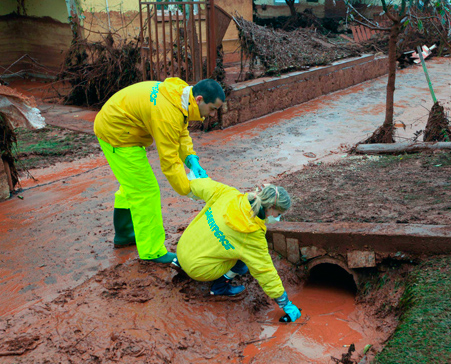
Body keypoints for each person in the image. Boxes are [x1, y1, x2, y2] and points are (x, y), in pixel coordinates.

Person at [94, 78, 225, 263]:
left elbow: (180, 132)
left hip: (125, 125)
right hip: (116, 132)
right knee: (145, 191)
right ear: (199, 99)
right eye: (212, 108)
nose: (212, 114)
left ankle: (124, 235)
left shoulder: (180, 95)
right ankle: (152, 251)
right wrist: (190, 189)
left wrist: (191, 159)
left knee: (133, 183)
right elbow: (169, 161)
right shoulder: (167, 112)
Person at [175, 178, 302, 323]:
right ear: (271, 209)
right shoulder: (252, 235)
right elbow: (265, 271)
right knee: (244, 261)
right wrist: (285, 302)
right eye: (278, 213)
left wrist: (192, 175)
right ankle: (220, 287)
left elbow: (199, 185)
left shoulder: (229, 194)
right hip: (197, 269)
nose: (278, 218)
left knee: (216, 235)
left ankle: (179, 261)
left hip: (183, 247)